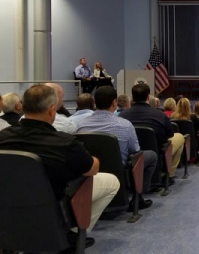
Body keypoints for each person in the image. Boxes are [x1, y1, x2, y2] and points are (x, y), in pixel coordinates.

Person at [0, 84, 120, 248]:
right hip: (52, 205)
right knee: (111, 181)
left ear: (23, 106)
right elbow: (92, 169)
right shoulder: (64, 142)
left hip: (8, 202)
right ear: (51, 110)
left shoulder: (3, 137)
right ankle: (73, 235)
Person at [76, 86, 157, 210]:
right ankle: (138, 197)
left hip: (91, 168)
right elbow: (135, 151)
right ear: (114, 103)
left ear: (94, 103)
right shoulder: (125, 125)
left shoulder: (80, 125)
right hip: (120, 167)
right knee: (150, 155)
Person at [119, 83, 184, 186]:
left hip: (131, 155)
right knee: (179, 137)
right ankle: (170, 175)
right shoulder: (159, 115)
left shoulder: (122, 115)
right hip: (158, 150)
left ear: (132, 97)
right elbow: (170, 134)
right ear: (148, 97)